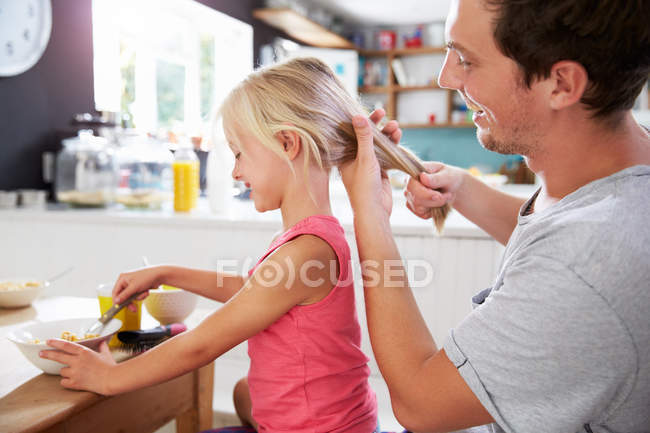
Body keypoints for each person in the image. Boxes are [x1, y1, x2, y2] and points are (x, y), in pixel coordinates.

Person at [39, 57, 440, 433]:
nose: (235, 171)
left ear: (287, 143)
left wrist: (110, 378)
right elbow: (251, 293)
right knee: (243, 392)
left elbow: (202, 344)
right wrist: (165, 272)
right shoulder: (308, 239)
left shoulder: (307, 250)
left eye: (239, 153)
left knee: (240, 393)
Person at [340, 0, 650, 432]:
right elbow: (553, 234)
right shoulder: (616, 173)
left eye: (466, 59)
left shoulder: (592, 261)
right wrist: (463, 190)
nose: (445, 77)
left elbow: (419, 404)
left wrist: (370, 215)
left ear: (560, 83)